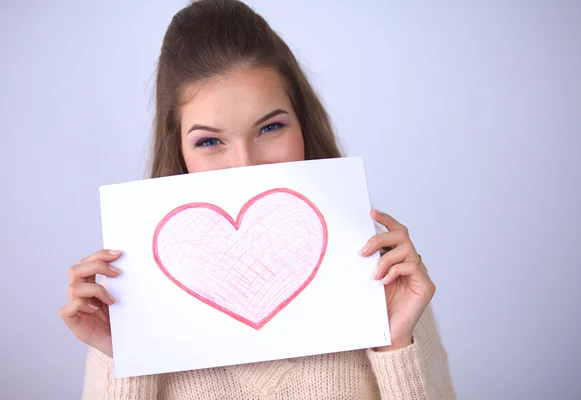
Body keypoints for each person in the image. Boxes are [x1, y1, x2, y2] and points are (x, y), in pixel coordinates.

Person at [59, 0, 456, 398]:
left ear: (303, 121)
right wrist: (125, 357)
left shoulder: (380, 273)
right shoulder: (132, 298)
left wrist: (394, 339)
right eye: (210, 141)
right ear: (178, 149)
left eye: (271, 128)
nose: (246, 165)